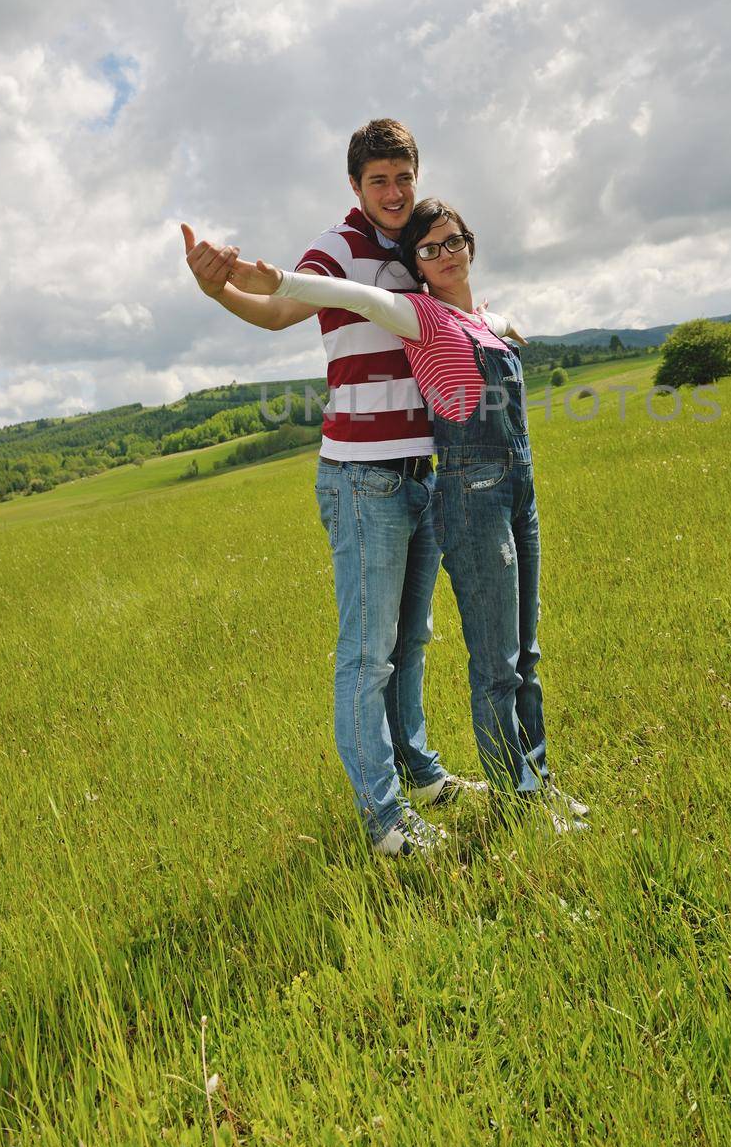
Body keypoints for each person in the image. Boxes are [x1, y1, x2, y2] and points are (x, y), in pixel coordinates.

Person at [182, 120, 496, 858]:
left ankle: (420, 775)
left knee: (410, 641)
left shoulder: (416, 244)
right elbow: (277, 310)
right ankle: (386, 822)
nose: (393, 192)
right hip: (363, 479)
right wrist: (218, 287)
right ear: (355, 186)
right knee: (366, 654)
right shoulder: (338, 245)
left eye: (402, 176)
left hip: (424, 473)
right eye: (378, 180)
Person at [227, 196, 589, 834]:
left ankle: (533, 781)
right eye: (429, 249)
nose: (445, 253)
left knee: (524, 652)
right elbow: (351, 295)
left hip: (519, 494)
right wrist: (276, 283)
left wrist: (505, 320)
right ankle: (515, 802)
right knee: (493, 663)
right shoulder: (417, 313)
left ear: (471, 245)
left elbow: (490, 318)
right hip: (469, 494)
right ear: (415, 267)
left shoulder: (476, 319)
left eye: (454, 241)